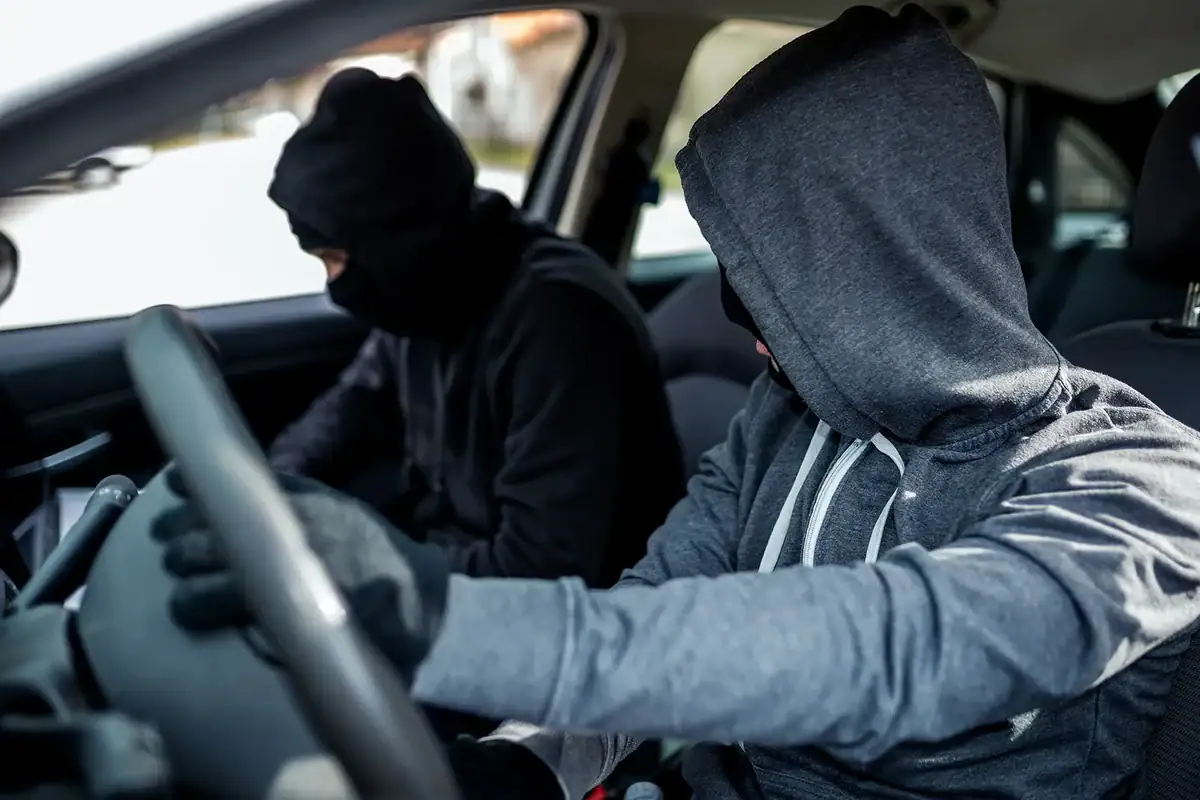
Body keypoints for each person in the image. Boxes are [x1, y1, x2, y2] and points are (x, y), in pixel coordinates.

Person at [158, 6, 1200, 799]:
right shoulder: (786, 418)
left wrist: (444, 617)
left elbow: (905, 647)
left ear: (877, 267)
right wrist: (530, 762)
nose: (748, 328)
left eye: (768, 288)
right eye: (735, 282)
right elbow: (657, 606)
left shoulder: (1144, 481)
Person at [263, 68, 684, 590]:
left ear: (396, 241)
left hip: (565, 613)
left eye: (336, 258)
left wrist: (369, 572)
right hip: (455, 571)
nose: (333, 282)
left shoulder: (563, 323)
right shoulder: (422, 296)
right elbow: (348, 408)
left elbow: (540, 570)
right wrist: (272, 493)